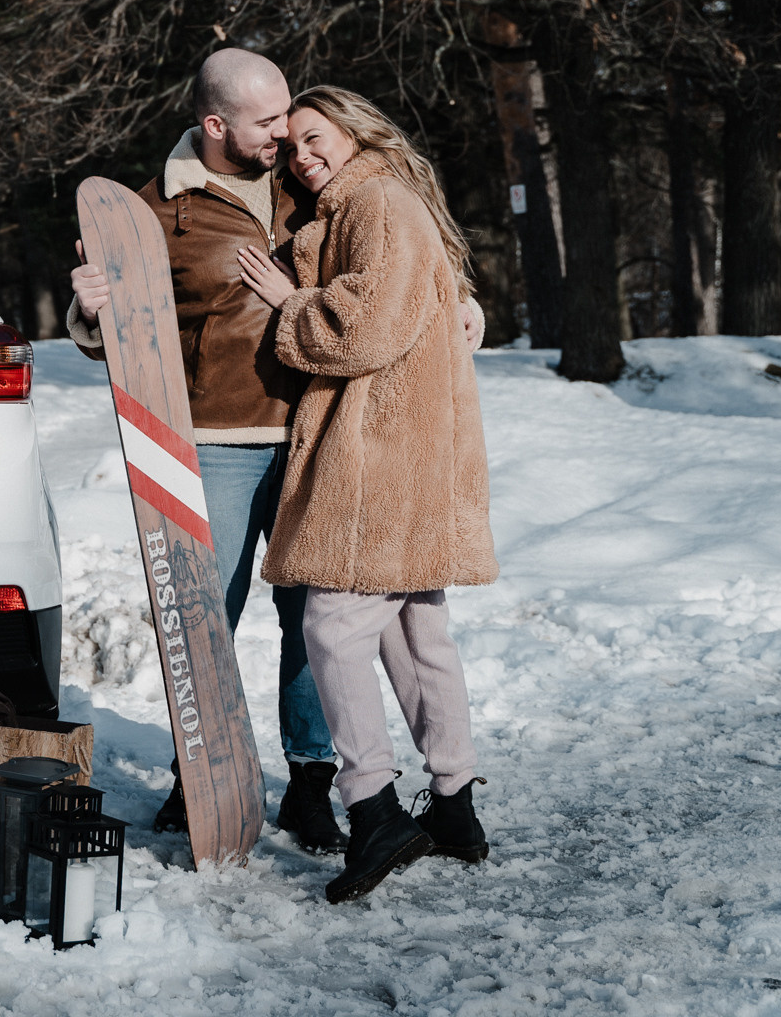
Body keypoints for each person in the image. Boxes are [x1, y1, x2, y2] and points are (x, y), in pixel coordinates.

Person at [69, 50, 478, 854]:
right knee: (205, 621)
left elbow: (389, 258)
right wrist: (89, 316)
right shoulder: (157, 210)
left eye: (290, 116)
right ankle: (204, 776)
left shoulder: (309, 179)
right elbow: (116, 338)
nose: (287, 134)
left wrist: (463, 298)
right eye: (266, 122)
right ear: (214, 124)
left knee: (312, 626)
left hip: (319, 437)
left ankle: (312, 784)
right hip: (214, 445)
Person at [235, 84, 500, 905]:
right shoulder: (379, 200)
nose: (304, 156)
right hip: (416, 449)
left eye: (317, 139)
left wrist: (292, 302)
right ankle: (454, 806)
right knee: (417, 635)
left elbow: (366, 330)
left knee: (334, 625)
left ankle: (374, 808)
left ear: (352, 132)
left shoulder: (376, 202)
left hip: (381, 456)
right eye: (293, 147)